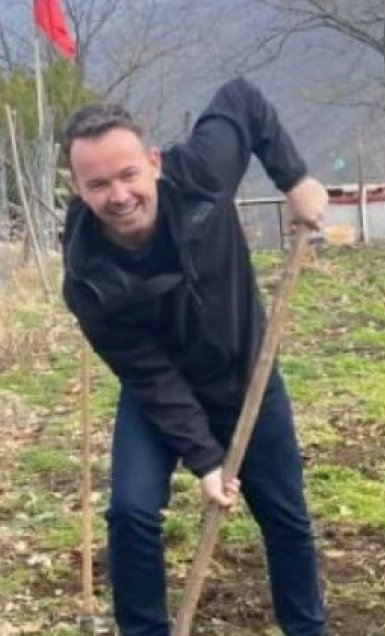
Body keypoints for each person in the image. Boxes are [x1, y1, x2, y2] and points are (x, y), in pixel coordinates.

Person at [62, 77, 328, 635]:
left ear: (154, 162)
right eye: (99, 183)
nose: (119, 194)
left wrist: (295, 177)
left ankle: (307, 629)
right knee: (131, 512)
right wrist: (205, 459)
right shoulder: (89, 276)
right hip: (160, 395)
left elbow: (242, 99)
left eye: (129, 174)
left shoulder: (201, 173)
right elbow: (149, 376)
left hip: (245, 376)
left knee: (285, 519)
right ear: (78, 188)